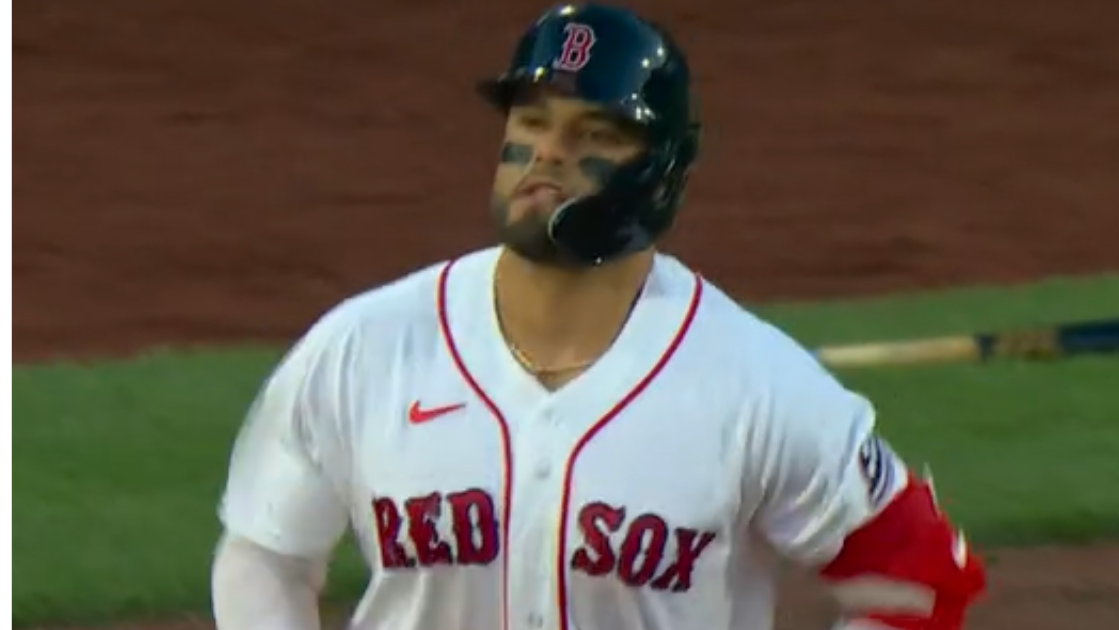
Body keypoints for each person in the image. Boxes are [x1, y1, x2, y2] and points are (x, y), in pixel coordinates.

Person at [209, 3, 987, 629]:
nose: (548, 152)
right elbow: (264, 556)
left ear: (661, 170)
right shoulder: (364, 348)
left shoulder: (756, 383)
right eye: (531, 122)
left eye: (594, 134)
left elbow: (919, 574)